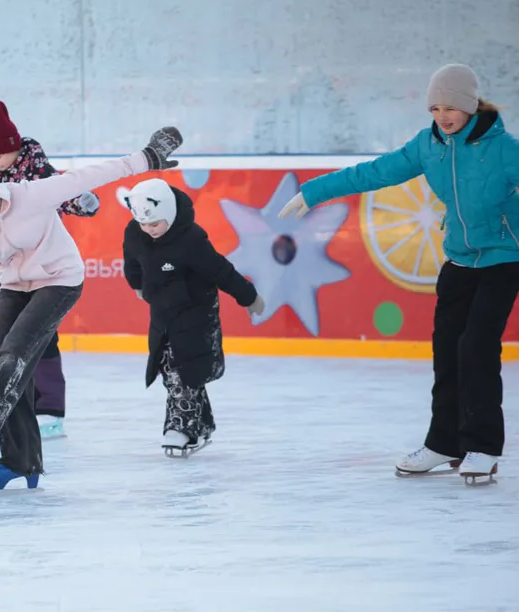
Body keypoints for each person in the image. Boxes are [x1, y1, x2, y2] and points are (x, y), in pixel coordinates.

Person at [279, 63, 519, 482]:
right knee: (446, 350)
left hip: (504, 260)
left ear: (469, 106)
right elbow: (375, 171)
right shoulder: (429, 145)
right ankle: (444, 442)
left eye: (450, 108)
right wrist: (314, 191)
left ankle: (481, 446)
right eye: (435, 108)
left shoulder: (504, 149)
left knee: (476, 345)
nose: (442, 116)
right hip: (460, 260)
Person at [0, 125, 183, 490]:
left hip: (59, 280)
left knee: (14, 355)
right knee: (0, 361)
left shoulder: (30, 196)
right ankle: (22, 462)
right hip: (14, 284)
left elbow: (88, 176)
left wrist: (145, 158)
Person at [0, 100, 100, 438]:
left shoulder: (36, 168)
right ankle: (12, 405)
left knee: (42, 338)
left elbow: (59, 191)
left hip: (45, 272)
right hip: (5, 273)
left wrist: (81, 202)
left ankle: (51, 408)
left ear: (13, 148)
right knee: (7, 343)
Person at [121, 178, 264, 455]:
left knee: (183, 369)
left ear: (170, 215)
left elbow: (220, 270)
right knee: (169, 367)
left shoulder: (191, 239)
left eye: (155, 224)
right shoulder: (135, 233)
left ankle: (181, 428)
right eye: (144, 224)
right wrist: (137, 284)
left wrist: (248, 296)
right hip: (163, 309)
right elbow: (132, 260)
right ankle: (203, 425)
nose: (149, 230)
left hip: (196, 309)